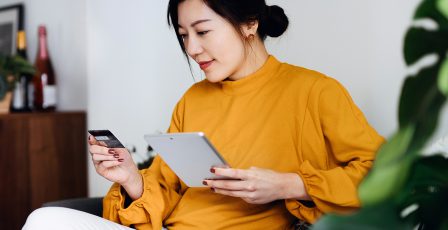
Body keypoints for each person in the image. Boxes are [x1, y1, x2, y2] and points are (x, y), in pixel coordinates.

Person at [23, 0, 384, 229]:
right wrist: (132, 179)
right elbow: (166, 186)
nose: (192, 49)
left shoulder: (315, 91)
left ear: (249, 24)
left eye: (203, 31)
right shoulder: (192, 99)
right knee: (45, 220)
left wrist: (290, 184)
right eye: (183, 35)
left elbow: (383, 174)